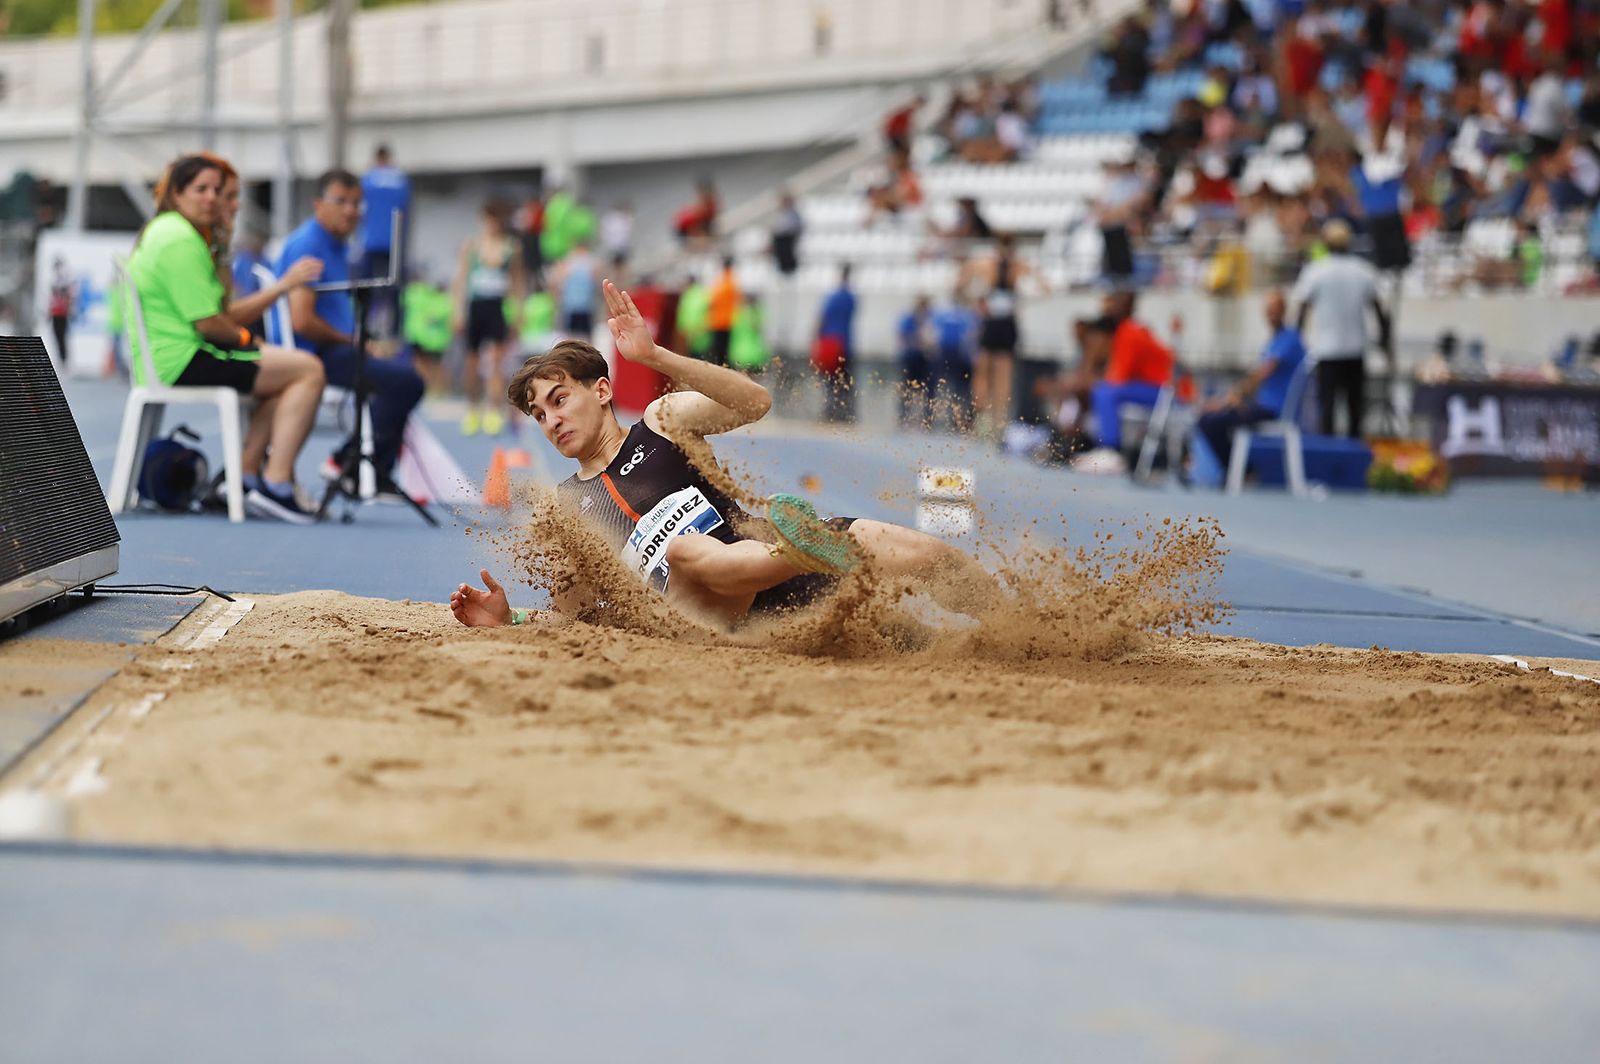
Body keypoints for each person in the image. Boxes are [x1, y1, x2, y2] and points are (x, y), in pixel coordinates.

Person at [450, 280, 997, 632]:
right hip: (706, 613)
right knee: (686, 551)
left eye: (558, 400)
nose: (551, 421)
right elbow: (573, 620)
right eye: (539, 415)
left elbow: (752, 401)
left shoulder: (663, 423)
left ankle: (1012, 616)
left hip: (767, 552)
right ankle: (800, 550)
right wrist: (512, 620)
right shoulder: (565, 512)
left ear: (600, 391)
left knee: (922, 560)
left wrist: (656, 355)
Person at [129, 153, 326, 523]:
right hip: (184, 357)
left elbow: (218, 308)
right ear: (176, 194)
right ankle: (277, 484)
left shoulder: (179, 233)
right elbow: (212, 323)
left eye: (217, 191)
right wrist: (250, 341)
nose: (212, 198)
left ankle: (247, 477)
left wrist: (220, 244)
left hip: (175, 355)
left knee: (284, 379)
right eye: (200, 189)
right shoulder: (178, 238)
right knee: (309, 370)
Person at [280, 169, 425, 487]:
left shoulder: (339, 246)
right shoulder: (309, 245)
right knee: (405, 382)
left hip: (337, 347)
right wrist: (352, 339)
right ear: (318, 204)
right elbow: (301, 321)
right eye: (341, 201)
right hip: (315, 353)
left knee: (400, 373)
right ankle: (352, 465)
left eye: (357, 203)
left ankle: (362, 466)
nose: (350, 210)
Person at [1291, 218, 1390, 437]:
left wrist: (1297, 342)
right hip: (1355, 350)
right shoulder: (1363, 270)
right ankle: (1353, 459)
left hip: (1327, 351)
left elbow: (1301, 312)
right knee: (1355, 411)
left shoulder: (1315, 272)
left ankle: (1328, 459)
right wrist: (1384, 342)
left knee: (1327, 410)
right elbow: (1380, 311)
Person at [1193, 290, 1307, 472]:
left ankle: (1241, 471)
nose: (1271, 315)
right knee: (1206, 418)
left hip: (1273, 411)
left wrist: (1229, 398)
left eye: (1275, 310)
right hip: (1261, 406)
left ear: (1284, 311)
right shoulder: (1274, 341)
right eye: (1269, 310)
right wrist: (1235, 401)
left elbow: (1263, 373)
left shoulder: (1290, 339)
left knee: (1211, 422)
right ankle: (1237, 470)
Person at [451, 198, 527, 436]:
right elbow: (461, 280)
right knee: (472, 362)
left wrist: (517, 313)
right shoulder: (471, 246)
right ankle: (473, 409)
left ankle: (493, 410)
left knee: (495, 361)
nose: (492, 225)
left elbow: (517, 282)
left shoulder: (511, 247)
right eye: (489, 220)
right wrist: (458, 312)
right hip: (476, 306)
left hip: (496, 306)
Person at [958, 234, 1046, 439]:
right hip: (1005, 322)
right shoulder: (1018, 265)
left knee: (985, 373)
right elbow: (1044, 287)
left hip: (993, 322)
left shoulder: (986, 264)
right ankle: (998, 421)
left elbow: (961, 282)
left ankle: (985, 419)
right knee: (1001, 375)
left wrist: (975, 300)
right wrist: (1020, 301)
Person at [1088, 291, 1175, 456]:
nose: (1105, 307)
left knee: (1103, 392)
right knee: (1102, 390)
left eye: (1111, 303)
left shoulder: (1129, 332)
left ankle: (1110, 450)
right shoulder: (1133, 328)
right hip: (1157, 388)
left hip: (1165, 392)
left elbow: (1119, 377)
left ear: (1124, 306)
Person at [359, 144, 410, 331]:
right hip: (393, 242)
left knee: (366, 286)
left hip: (370, 241)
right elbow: (405, 210)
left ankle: (363, 326)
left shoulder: (367, 178)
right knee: (395, 288)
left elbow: (361, 209)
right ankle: (396, 330)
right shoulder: (400, 179)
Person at [814, 264, 857, 423]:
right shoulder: (852, 298)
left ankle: (831, 411)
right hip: (845, 343)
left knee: (831, 380)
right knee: (846, 380)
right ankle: (848, 412)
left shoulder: (833, 297)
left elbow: (822, 317)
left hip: (831, 342)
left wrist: (816, 339)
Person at [897, 295, 935, 427]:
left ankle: (927, 417)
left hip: (925, 359)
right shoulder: (909, 318)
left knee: (928, 389)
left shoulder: (930, 319)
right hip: (912, 357)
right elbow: (902, 336)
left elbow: (933, 339)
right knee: (908, 387)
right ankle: (903, 415)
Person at [552, 238, 598, 340]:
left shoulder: (570, 262)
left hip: (576, 305)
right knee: (584, 335)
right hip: (580, 305)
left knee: (573, 336)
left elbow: (558, 281)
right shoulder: (589, 262)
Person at [707, 256, 740, 367]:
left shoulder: (722, 281)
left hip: (720, 322)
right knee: (723, 353)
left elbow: (713, 301)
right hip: (726, 321)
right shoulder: (731, 281)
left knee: (720, 353)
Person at [47, 256, 72, 365]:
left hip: (62, 313)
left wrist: (69, 308)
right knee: (56, 337)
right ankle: (60, 359)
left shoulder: (64, 280)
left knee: (62, 337)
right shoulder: (53, 280)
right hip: (55, 313)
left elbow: (68, 297)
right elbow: (51, 299)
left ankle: (64, 360)